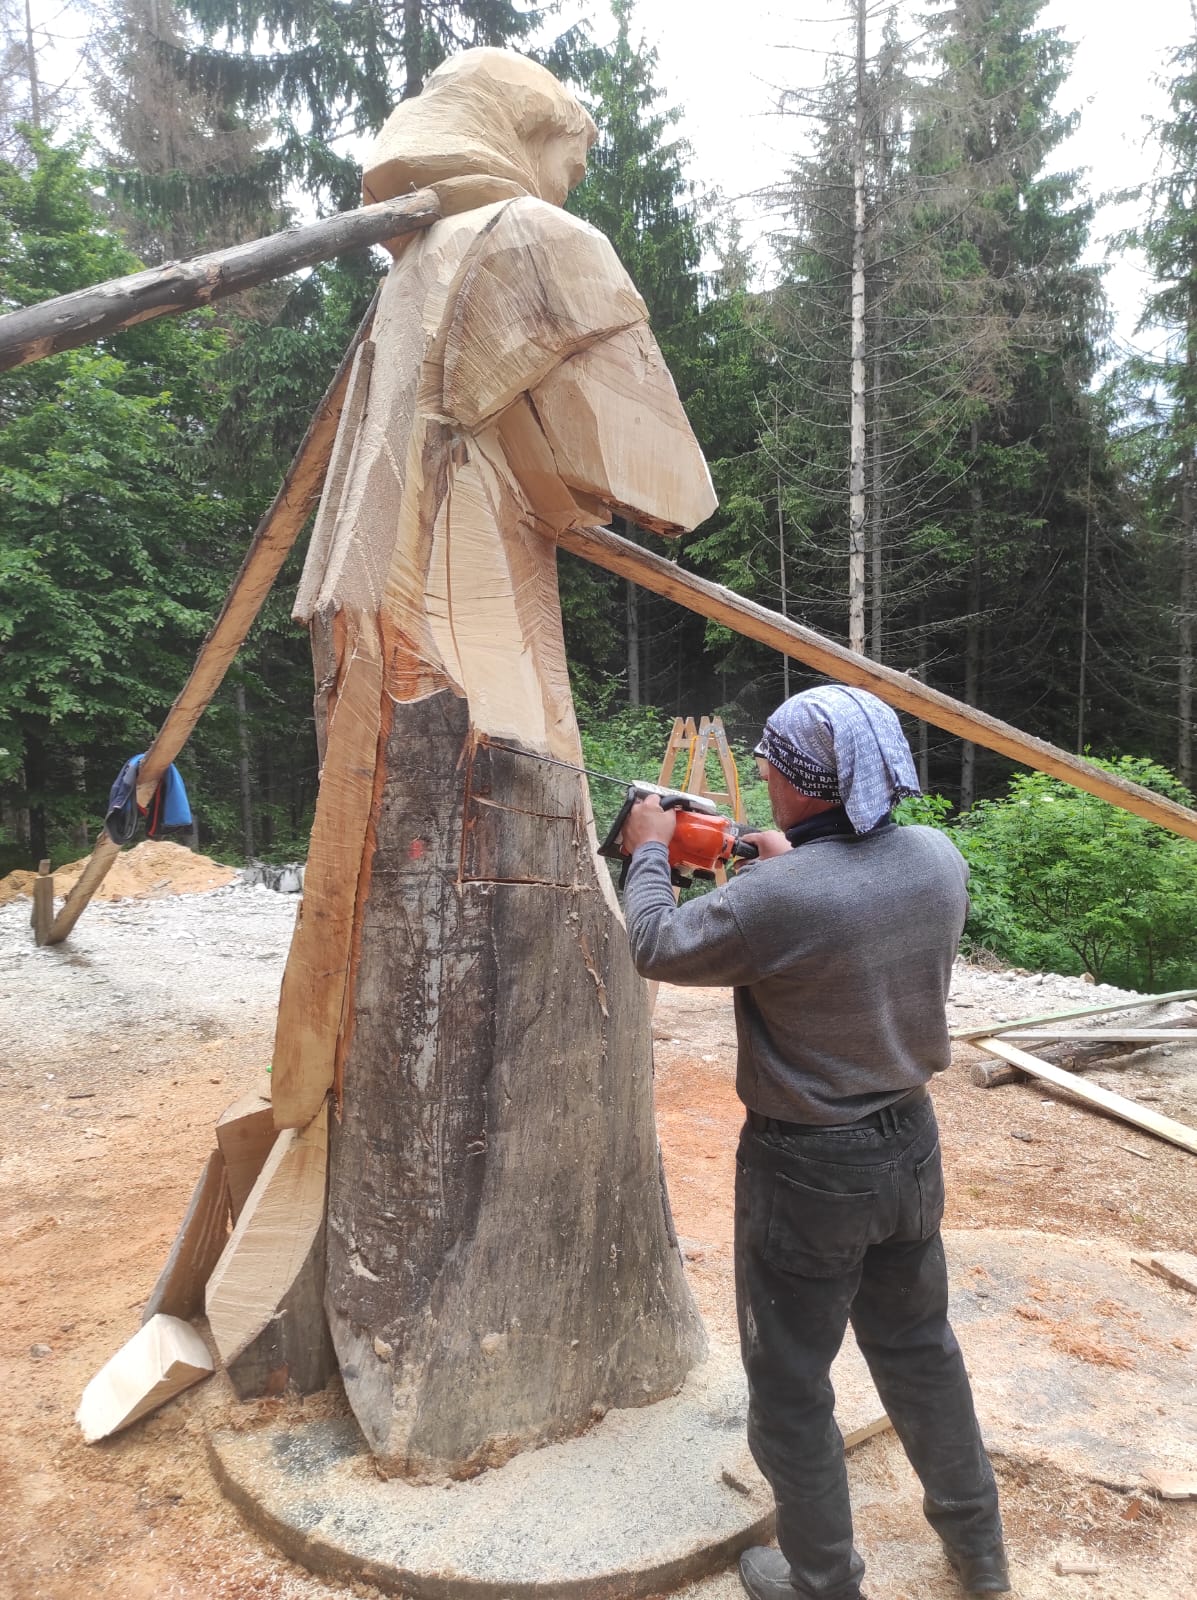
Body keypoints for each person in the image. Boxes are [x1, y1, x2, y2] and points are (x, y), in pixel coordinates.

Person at [619, 684, 1009, 1600]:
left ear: (798, 780)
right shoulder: (935, 857)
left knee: (791, 1382)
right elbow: (846, 889)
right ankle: (980, 1553)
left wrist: (649, 847)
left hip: (807, 1167)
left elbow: (655, 943)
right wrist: (788, 860)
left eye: (769, 766)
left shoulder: (779, 899)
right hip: (908, 1143)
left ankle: (821, 1580)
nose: (761, 777)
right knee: (920, 1350)